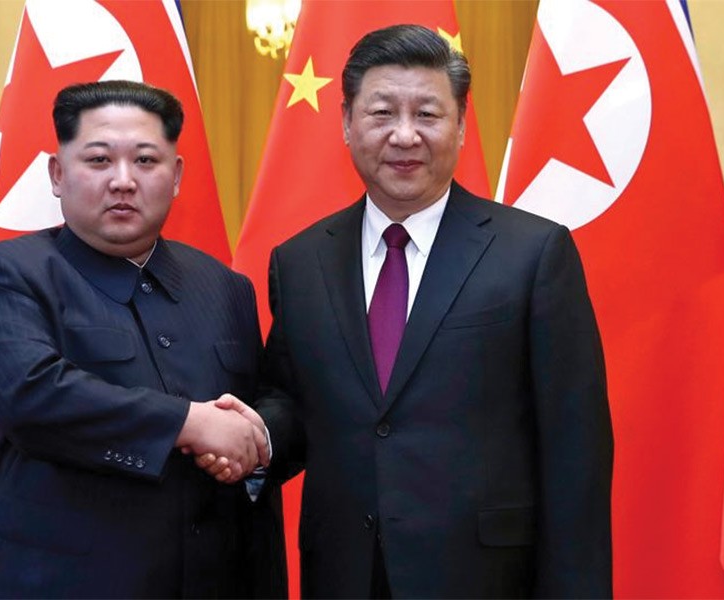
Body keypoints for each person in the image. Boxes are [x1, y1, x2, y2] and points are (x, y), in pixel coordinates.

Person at [251, 24, 614, 598]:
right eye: (381, 113)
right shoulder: (300, 262)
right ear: (346, 122)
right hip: (345, 574)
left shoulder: (533, 253)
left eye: (427, 114)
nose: (404, 135)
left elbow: (576, 454)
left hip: (486, 579)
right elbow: (293, 402)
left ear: (461, 124)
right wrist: (252, 435)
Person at [0, 80, 286, 599]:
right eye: (99, 160)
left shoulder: (226, 287)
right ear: (57, 174)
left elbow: (267, 402)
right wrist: (191, 424)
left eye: (146, 161)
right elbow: (31, 395)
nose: (124, 181)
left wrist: (254, 439)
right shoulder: (2, 275)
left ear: (176, 176)